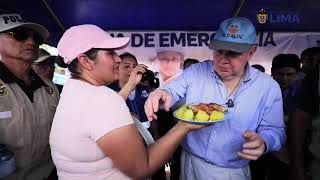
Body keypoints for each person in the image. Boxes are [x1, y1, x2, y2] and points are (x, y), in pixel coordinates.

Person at [49, 24, 205, 180]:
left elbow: (102, 111)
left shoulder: (73, 90)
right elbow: (141, 168)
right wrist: (183, 126)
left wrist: (131, 83)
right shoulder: (102, 98)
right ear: (85, 61)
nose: (118, 58)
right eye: (110, 53)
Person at [144, 17, 285, 180]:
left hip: (231, 171)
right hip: (190, 162)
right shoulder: (196, 72)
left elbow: (275, 130)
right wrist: (162, 93)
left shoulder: (268, 87)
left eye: (233, 53)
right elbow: (172, 90)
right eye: (219, 50)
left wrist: (265, 141)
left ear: (252, 51)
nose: (223, 60)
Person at [0, 13, 60, 179]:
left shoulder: (50, 88)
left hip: (48, 174)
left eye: (37, 38)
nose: (31, 42)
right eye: (19, 35)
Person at [288, 66, 319, 180]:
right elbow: (298, 120)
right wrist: (297, 168)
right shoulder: (315, 76)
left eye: (289, 74)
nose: (285, 78)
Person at [108, 52, 152, 129]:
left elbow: (152, 118)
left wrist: (156, 135)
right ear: (117, 69)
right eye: (127, 66)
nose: (132, 70)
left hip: (147, 134)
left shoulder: (145, 89)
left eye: (135, 66)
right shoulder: (108, 91)